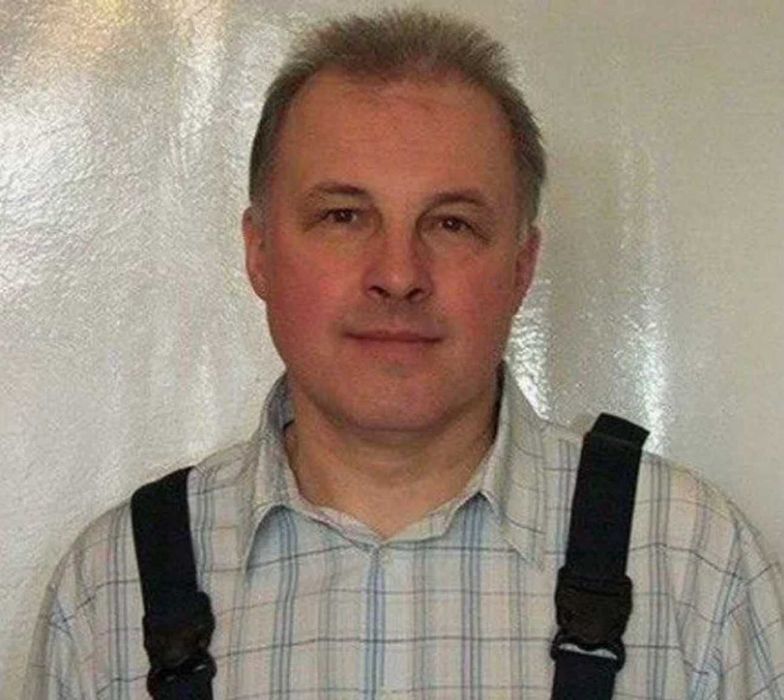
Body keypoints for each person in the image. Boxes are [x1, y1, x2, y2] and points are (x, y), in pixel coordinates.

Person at [24, 7, 784, 699]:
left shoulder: (694, 567)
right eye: (343, 216)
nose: (397, 274)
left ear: (521, 267)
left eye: (451, 224)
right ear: (259, 253)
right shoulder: (109, 592)